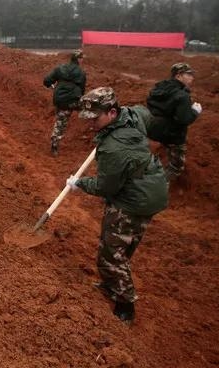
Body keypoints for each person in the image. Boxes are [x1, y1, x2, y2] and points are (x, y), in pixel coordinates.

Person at [67, 87, 168, 324]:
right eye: (88, 118)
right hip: (152, 188)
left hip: (132, 199)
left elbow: (105, 187)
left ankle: (125, 305)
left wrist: (79, 183)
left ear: (112, 112)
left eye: (95, 118)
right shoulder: (134, 114)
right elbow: (148, 117)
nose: (90, 123)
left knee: (111, 254)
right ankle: (111, 284)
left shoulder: (114, 148)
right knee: (124, 245)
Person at [146, 62, 201, 181]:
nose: (192, 77)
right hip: (172, 134)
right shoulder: (182, 96)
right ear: (178, 76)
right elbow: (184, 119)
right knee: (177, 165)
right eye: (189, 74)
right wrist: (195, 112)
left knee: (166, 139)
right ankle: (162, 182)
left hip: (153, 128)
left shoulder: (158, 88)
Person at [43, 50, 86, 157]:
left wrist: (54, 87)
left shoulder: (60, 68)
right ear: (79, 59)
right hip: (72, 101)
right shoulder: (81, 73)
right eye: (82, 58)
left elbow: (47, 81)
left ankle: (55, 143)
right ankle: (92, 133)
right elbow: (82, 90)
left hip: (59, 100)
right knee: (89, 110)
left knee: (61, 120)